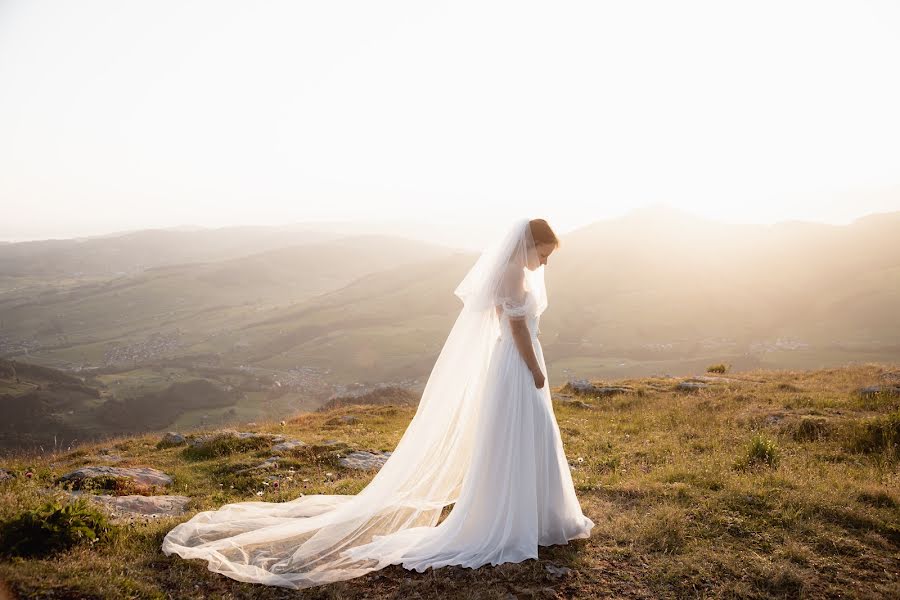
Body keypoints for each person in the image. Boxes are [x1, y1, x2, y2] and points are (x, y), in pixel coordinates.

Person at [161, 217, 594, 589]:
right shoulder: (516, 275)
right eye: (545, 251)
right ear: (529, 243)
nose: (546, 260)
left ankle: (523, 513)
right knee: (529, 430)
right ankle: (530, 518)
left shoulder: (508, 273)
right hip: (519, 364)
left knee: (519, 435)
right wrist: (535, 370)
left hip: (508, 364)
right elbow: (517, 330)